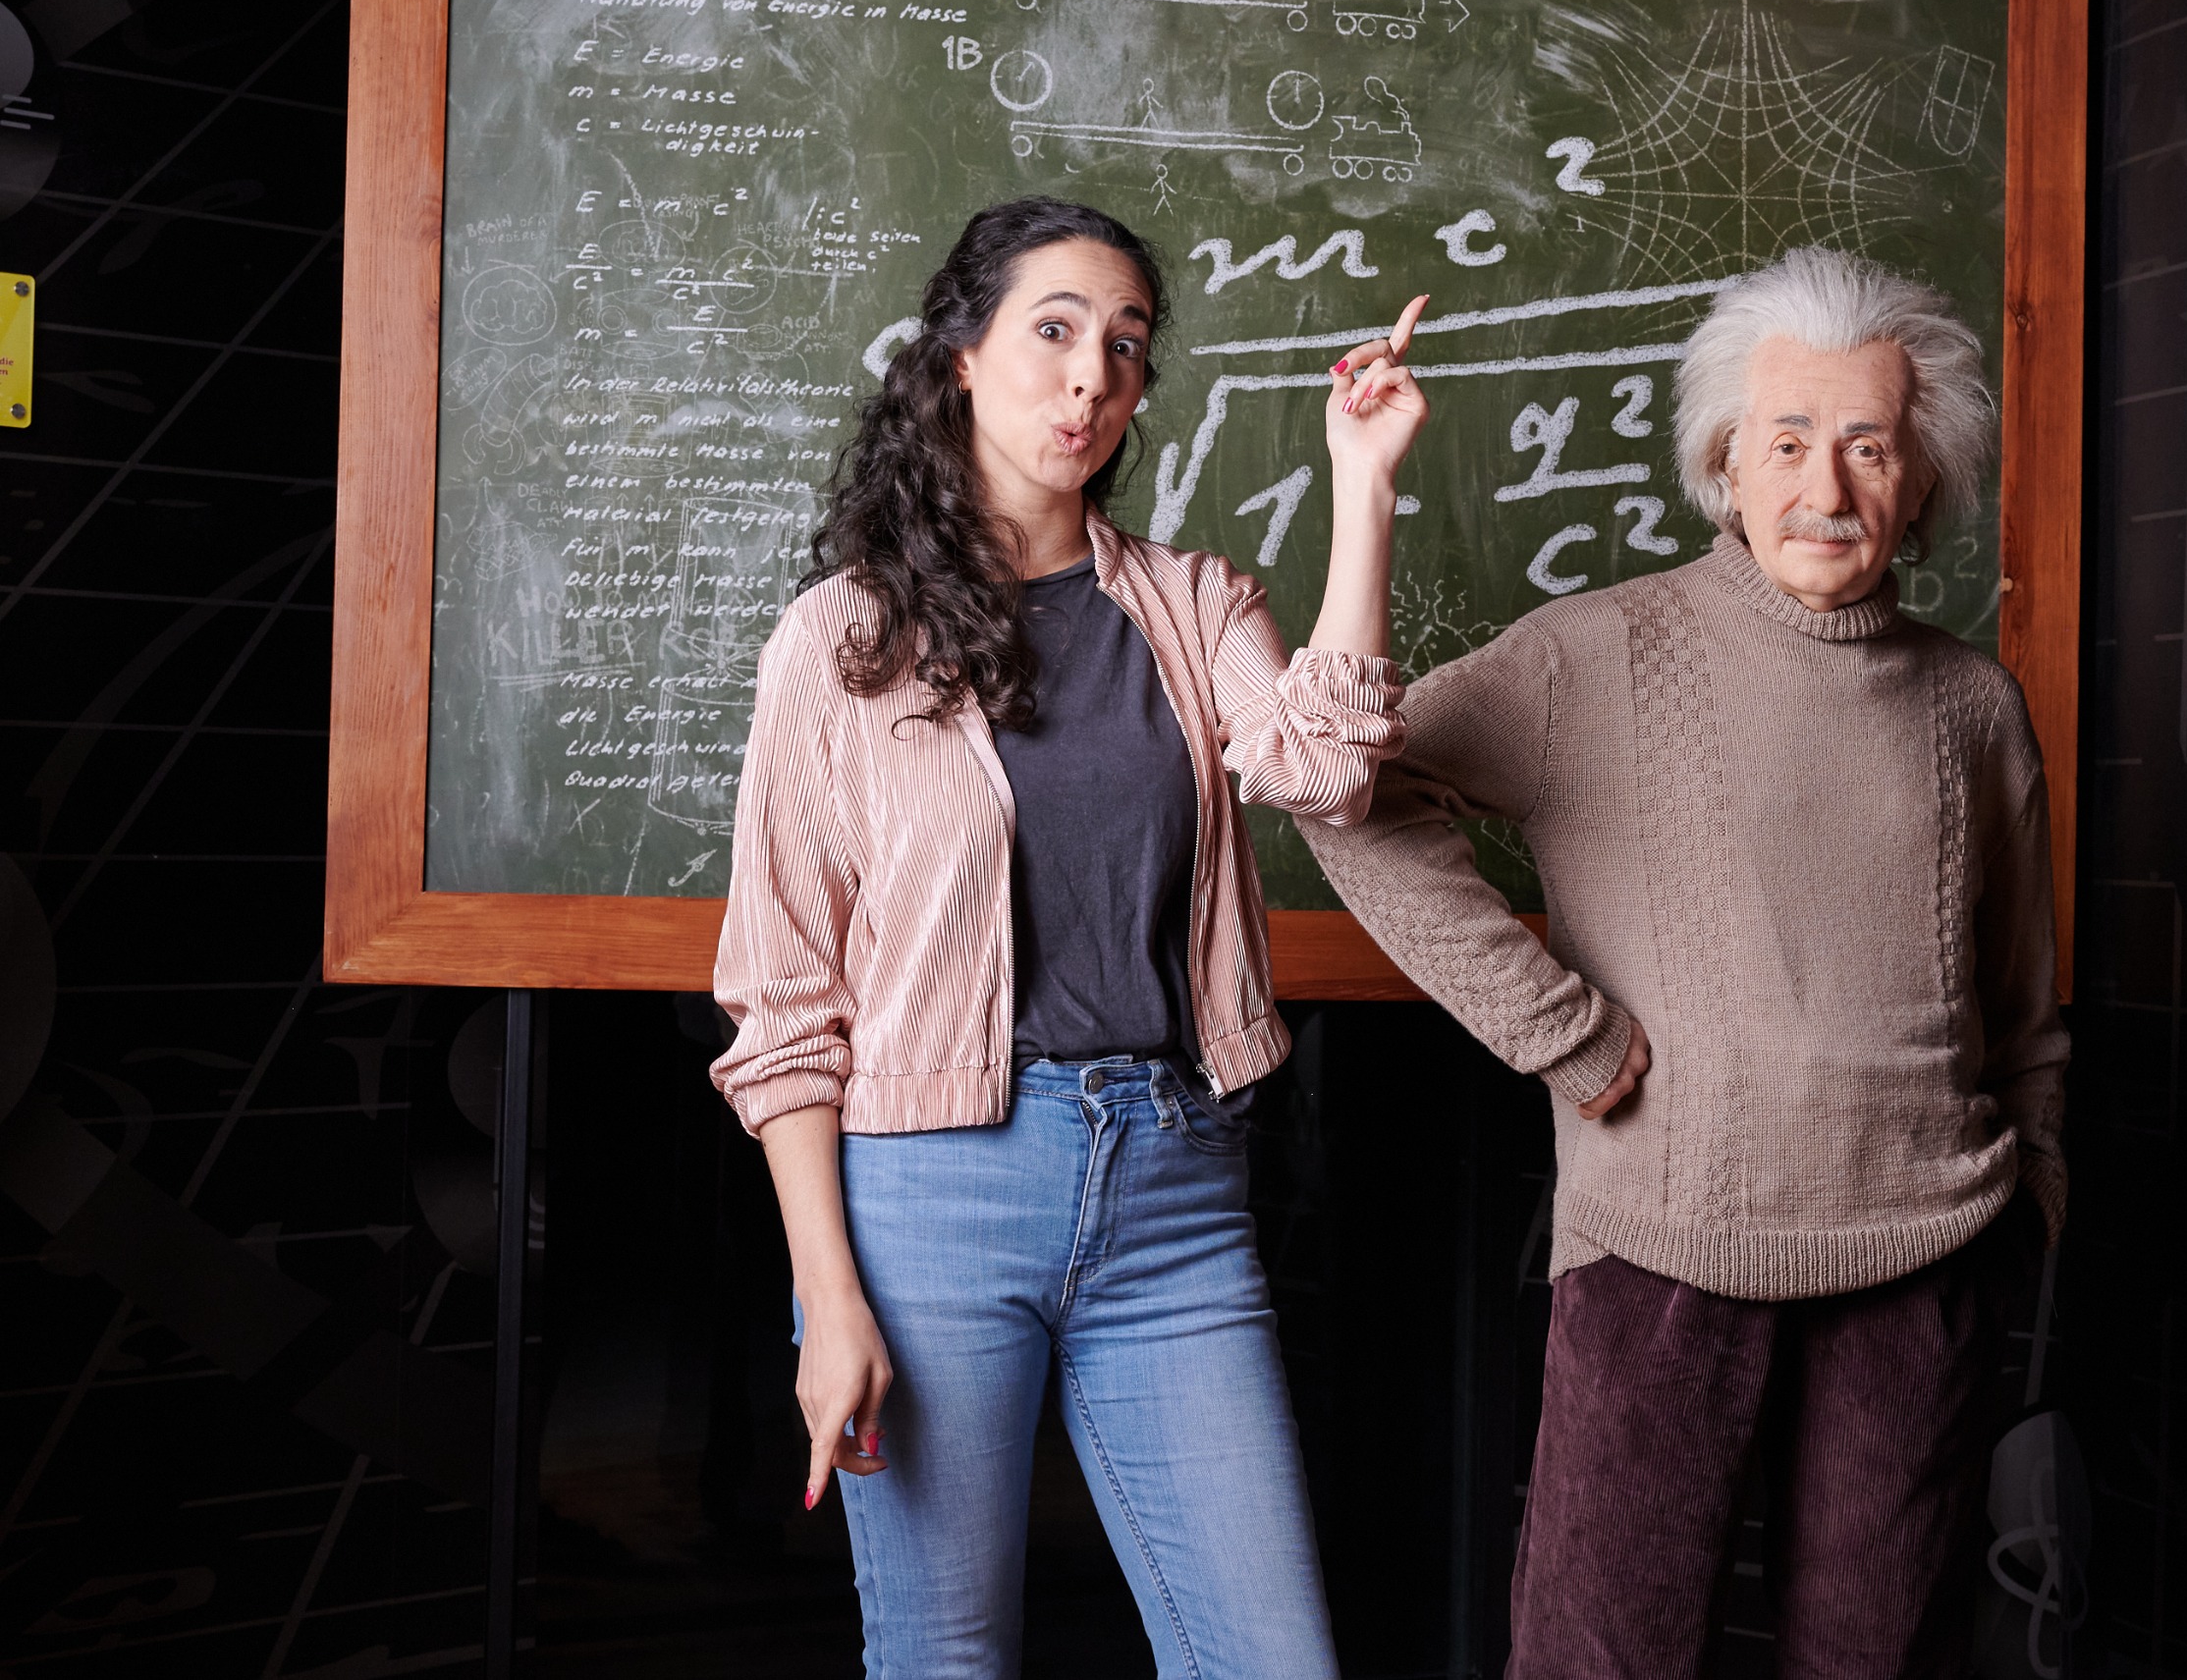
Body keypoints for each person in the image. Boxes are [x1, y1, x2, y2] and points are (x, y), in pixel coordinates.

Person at [1299, 244, 2065, 1677]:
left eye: (1867, 447)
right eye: (1787, 444)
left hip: (1931, 1260)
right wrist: (1558, 1032)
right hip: (1663, 1254)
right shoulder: (1600, 658)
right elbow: (1342, 799)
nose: (1825, 490)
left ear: (1921, 481)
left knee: (1878, 1664)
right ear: (1725, 461)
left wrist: (2040, 1194)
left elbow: (2023, 1012)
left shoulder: (1974, 705)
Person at [710, 196, 1429, 1678]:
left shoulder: (1191, 602)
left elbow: (1328, 772)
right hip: (932, 1203)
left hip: (1176, 1189)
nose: (1090, 376)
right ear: (960, 356)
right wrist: (826, 1300)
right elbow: (781, 1004)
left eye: (1125, 346)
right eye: (1052, 332)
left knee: (1274, 1660)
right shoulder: (841, 643)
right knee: (946, 1658)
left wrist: (1362, 486)